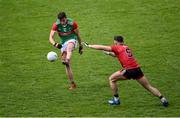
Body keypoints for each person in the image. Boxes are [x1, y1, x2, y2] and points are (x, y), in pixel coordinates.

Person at [82, 36, 169, 107]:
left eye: (114, 42)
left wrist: (89, 46)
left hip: (128, 70)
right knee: (148, 86)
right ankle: (163, 99)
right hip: (137, 69)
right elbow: (117, 55)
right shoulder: (126, 47)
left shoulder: (117, 47)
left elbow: (102, 46)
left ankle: (116, 100)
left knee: (111, 79)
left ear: (116, 42)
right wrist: (108, 53)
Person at [49, 12, 83, 90]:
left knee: (69, 48)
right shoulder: (56, 25)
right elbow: (50, 38)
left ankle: (67, 59)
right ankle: (72, 84)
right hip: (63, 43)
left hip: (72, 40)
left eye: (64, 20)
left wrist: (81, 46)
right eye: (61, 21)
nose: (62, 22)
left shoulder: (73, 23)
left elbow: (78, 35)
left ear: (66, 18)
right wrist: (55, 44)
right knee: (67, 65)